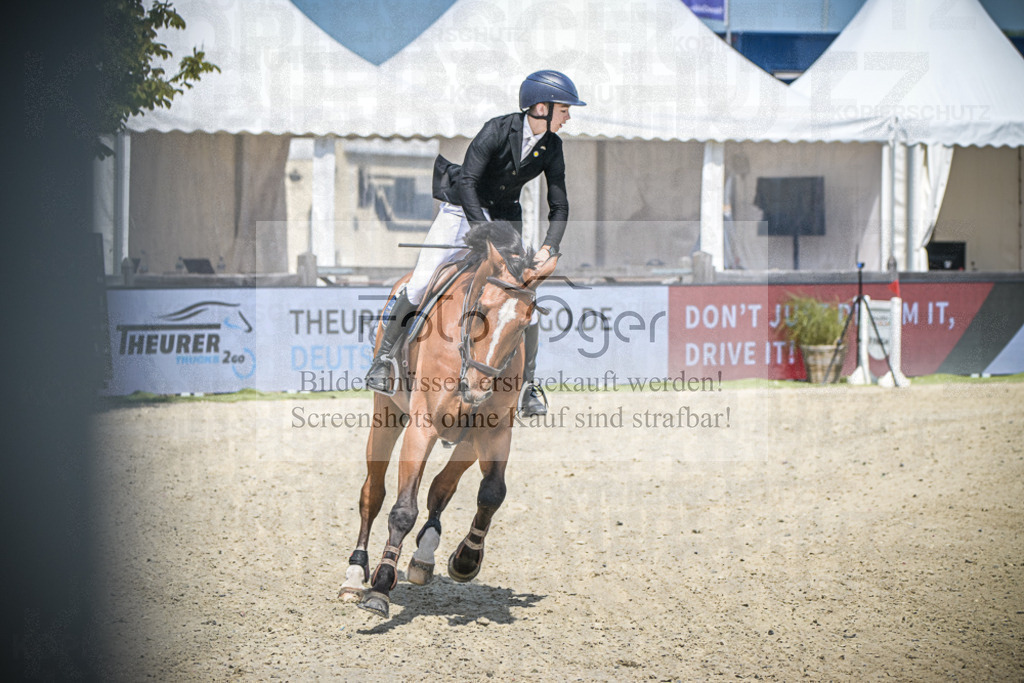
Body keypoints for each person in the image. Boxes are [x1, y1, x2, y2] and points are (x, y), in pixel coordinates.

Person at [365, 70, 585, 417]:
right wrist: (484, 234)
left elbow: (559, 204)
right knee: (421, 282)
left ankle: (528, 386)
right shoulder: (496, 130)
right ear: (541, 107)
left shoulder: (552, 146)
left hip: (503, 218)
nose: (569, 116)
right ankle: (383, 360)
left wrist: (549, 248)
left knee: (523, 296)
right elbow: (468, 182)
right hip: (461, 211)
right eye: (565, 109)